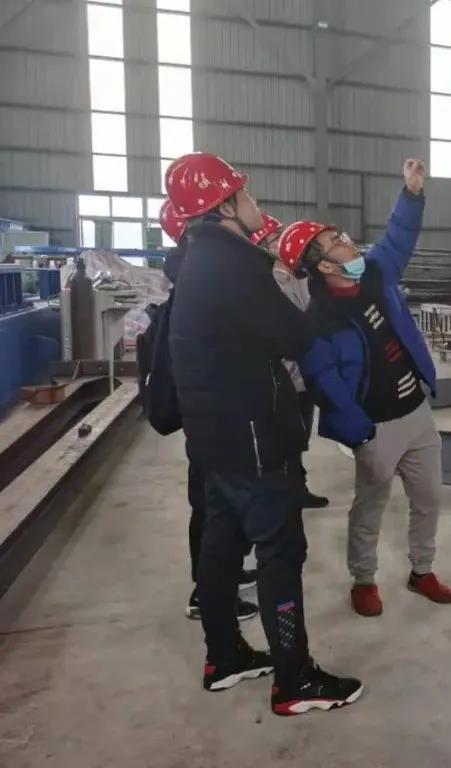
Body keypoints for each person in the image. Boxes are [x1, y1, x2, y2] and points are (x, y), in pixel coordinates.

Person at [165, 152, 362, 716]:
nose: (255, 203)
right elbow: (294, 336)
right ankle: (294, 679)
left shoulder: (198, 261)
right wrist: (313, 282)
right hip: (252, 437)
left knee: (222, 547)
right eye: (245, 194)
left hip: (213, 439)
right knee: (281, 553)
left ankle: (224, 656)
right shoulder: (236, 266)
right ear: (224, 207)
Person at [277, 158, 451, 618]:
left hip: (416, 411)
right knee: (370, 506)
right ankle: (363, 579)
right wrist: (360, 431)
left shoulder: (375, 273)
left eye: (339, 234)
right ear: (321, 265)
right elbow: (324, 382)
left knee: (429, 498)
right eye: (335, 241)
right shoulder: (318, 321)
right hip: (377, 426)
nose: (346, 240)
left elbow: (399, 237)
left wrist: (411, 194)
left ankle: (422, 570)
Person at [159, 201, 258, 622]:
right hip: (212, 415)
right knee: (211, 506)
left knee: (217, 504)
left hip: (213, 412)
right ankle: (208, 592)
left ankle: (224, 575)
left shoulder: (195, 273)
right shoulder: (199, 278)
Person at [251, 214, 329, 510]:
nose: (281, 242)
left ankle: (297, 486)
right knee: (280, 438)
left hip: (304, 374)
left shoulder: (301, 275)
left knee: (299, 435)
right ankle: (281, 492)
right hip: (281, 376)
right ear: (263, 246)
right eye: (275, 238)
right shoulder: (268, 283)